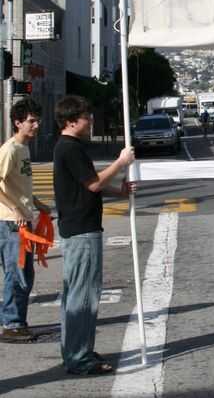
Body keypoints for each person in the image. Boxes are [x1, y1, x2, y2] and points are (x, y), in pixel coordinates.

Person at [53, 95, 135, 375]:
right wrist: (121, 162)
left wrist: (117, 192)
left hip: (77, 228)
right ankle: (79, 357)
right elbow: (93, 184)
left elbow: (87, 184)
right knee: (84, 296)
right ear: (70, 121)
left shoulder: (68, 147)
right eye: (85, 117)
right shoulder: (69, 148)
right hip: (82, 231)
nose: (90, 121)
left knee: (75, 294)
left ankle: (76, 350)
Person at [0, 98, 51, 343]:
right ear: (18, 122)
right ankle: (11, 324)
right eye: (31, 121)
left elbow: (18, 187)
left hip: (21, 220)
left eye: (37, 120)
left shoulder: (24, 149)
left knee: (24, 274)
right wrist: (16, 210)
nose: (36, 125)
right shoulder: (9, 150)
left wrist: (36, 203)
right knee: (17, 274)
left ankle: (15, 321)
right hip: (11, 223)